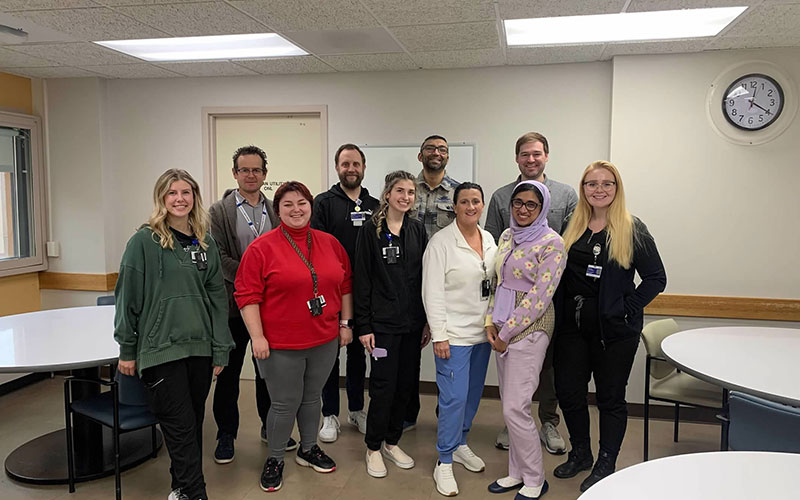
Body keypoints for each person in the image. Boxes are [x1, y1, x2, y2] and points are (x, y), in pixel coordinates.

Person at [114, 168, 234, 500]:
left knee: (192, 424)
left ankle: (180, 488)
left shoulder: (206, 242)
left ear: (194, 197)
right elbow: (127, 300)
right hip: (160, 350)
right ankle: (196, 493)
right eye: (172, 193)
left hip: (200, 350)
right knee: (180, 426)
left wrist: (220, 348)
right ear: (161, 198)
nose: (179, 199)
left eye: (185, 192)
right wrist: (127, 349)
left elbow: (217, 300)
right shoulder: (143, 242)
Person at [553, 161, 666, 492]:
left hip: (614, 333)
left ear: (617, 188)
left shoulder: (632, 228)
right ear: (583, 188)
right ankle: (581, 453)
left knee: (610, 398)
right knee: (569, 392)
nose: (598, 189)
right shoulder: (572, 224)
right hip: (572, 328)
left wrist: (624, 309)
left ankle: (606, 461)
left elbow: (656, 278)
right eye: (591, 183)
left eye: (607, 183)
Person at [234, 181, 354, 493]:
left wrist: (345, 324)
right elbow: (246, 296)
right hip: (280, 344)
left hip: (324, 339)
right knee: (284, 403)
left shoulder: (329, 243)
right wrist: (257, 337)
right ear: (277, 211)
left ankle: (308, 448)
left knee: (312, 397)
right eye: (287, 204)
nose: (296, 209)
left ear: (311, 207)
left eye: (302, 203)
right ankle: (275, 458)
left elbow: (345, 285)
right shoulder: (261, 248)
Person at [485, 132, 577, 455]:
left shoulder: (566, 195)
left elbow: (571, 241)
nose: (531, 159)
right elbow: (494, 245)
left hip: (549, 292)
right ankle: (515, 422)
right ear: (517, 159)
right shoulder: (501, 196)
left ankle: (548, 421)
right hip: (507, 297)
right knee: (511, 370)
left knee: (547, 364)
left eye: (537, 153)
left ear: (546, 156)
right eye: (525, 154)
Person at [208, 145, 298, 465]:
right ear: (235, 174)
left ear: (264, 174)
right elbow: (218, 257)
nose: (251, 175)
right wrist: (251, 280)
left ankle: (269, 427)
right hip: (233, 307)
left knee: (267, 374)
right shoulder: (218, 212)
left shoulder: (274, 210)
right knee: (229, 374)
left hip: (267, 308)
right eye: (244, 170)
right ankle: (226, 435)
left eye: (256, 170)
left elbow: (285, 251)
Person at [484, 181, 566, 500]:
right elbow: (498, 282)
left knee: (515, 408)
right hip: (501, 324)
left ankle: (534, 478)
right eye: (518, 202)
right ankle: (516, 472)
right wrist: (491, 322)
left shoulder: (552, 243)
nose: (523, 209)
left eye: (531, 204)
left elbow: (539, 297)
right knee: (510, 406)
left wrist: (506, 334)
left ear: (542, 208)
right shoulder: (507, 235)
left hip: (530, 328)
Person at [422, 182, 498, 496]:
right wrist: (439, 335)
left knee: (472, 395)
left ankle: (461, 443)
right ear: (454, 207)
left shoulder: (489, 239)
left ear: (482, 205)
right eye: (464, 201)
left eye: (475, 201)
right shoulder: (441, 243)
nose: (470, 207)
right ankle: (444, 460)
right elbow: (431, 292)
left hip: (482, 334)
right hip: (453, 337)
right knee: (453, 399)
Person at [354, 170, 430, 479]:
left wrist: (426, 322)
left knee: (405, 386)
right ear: (387, 194)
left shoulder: (417, 230)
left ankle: (392, 442)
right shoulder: (370, 230)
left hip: (412, 325)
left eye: (411, 192)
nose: (405, 197)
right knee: (383, 387)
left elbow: (424, 279)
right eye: (400, 191)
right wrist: (364, 326)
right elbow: (362, 280)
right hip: (382, 327)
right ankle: (373, 447)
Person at [311, 143, 380, 443]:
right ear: (337, 168)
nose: (351, 169)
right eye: (345, 164)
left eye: (356, 164)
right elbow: (316, 246)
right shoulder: (323, 203)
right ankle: (329, 413)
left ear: (363, 167)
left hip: (364, 293)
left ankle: (356, 409)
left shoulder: (375, 204)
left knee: (357, 354)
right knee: (329, 354)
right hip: (333, 291)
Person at [406, 134, 460, 431]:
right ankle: (407, 413)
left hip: (447, 284)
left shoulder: (458, 192)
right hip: (410, 281)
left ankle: (446, 414)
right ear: (420, 155)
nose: (436, 153)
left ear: (447, 156)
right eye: (430, 148)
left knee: (448, 351)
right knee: (409, 351)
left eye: (442, 149)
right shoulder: (406, 189)